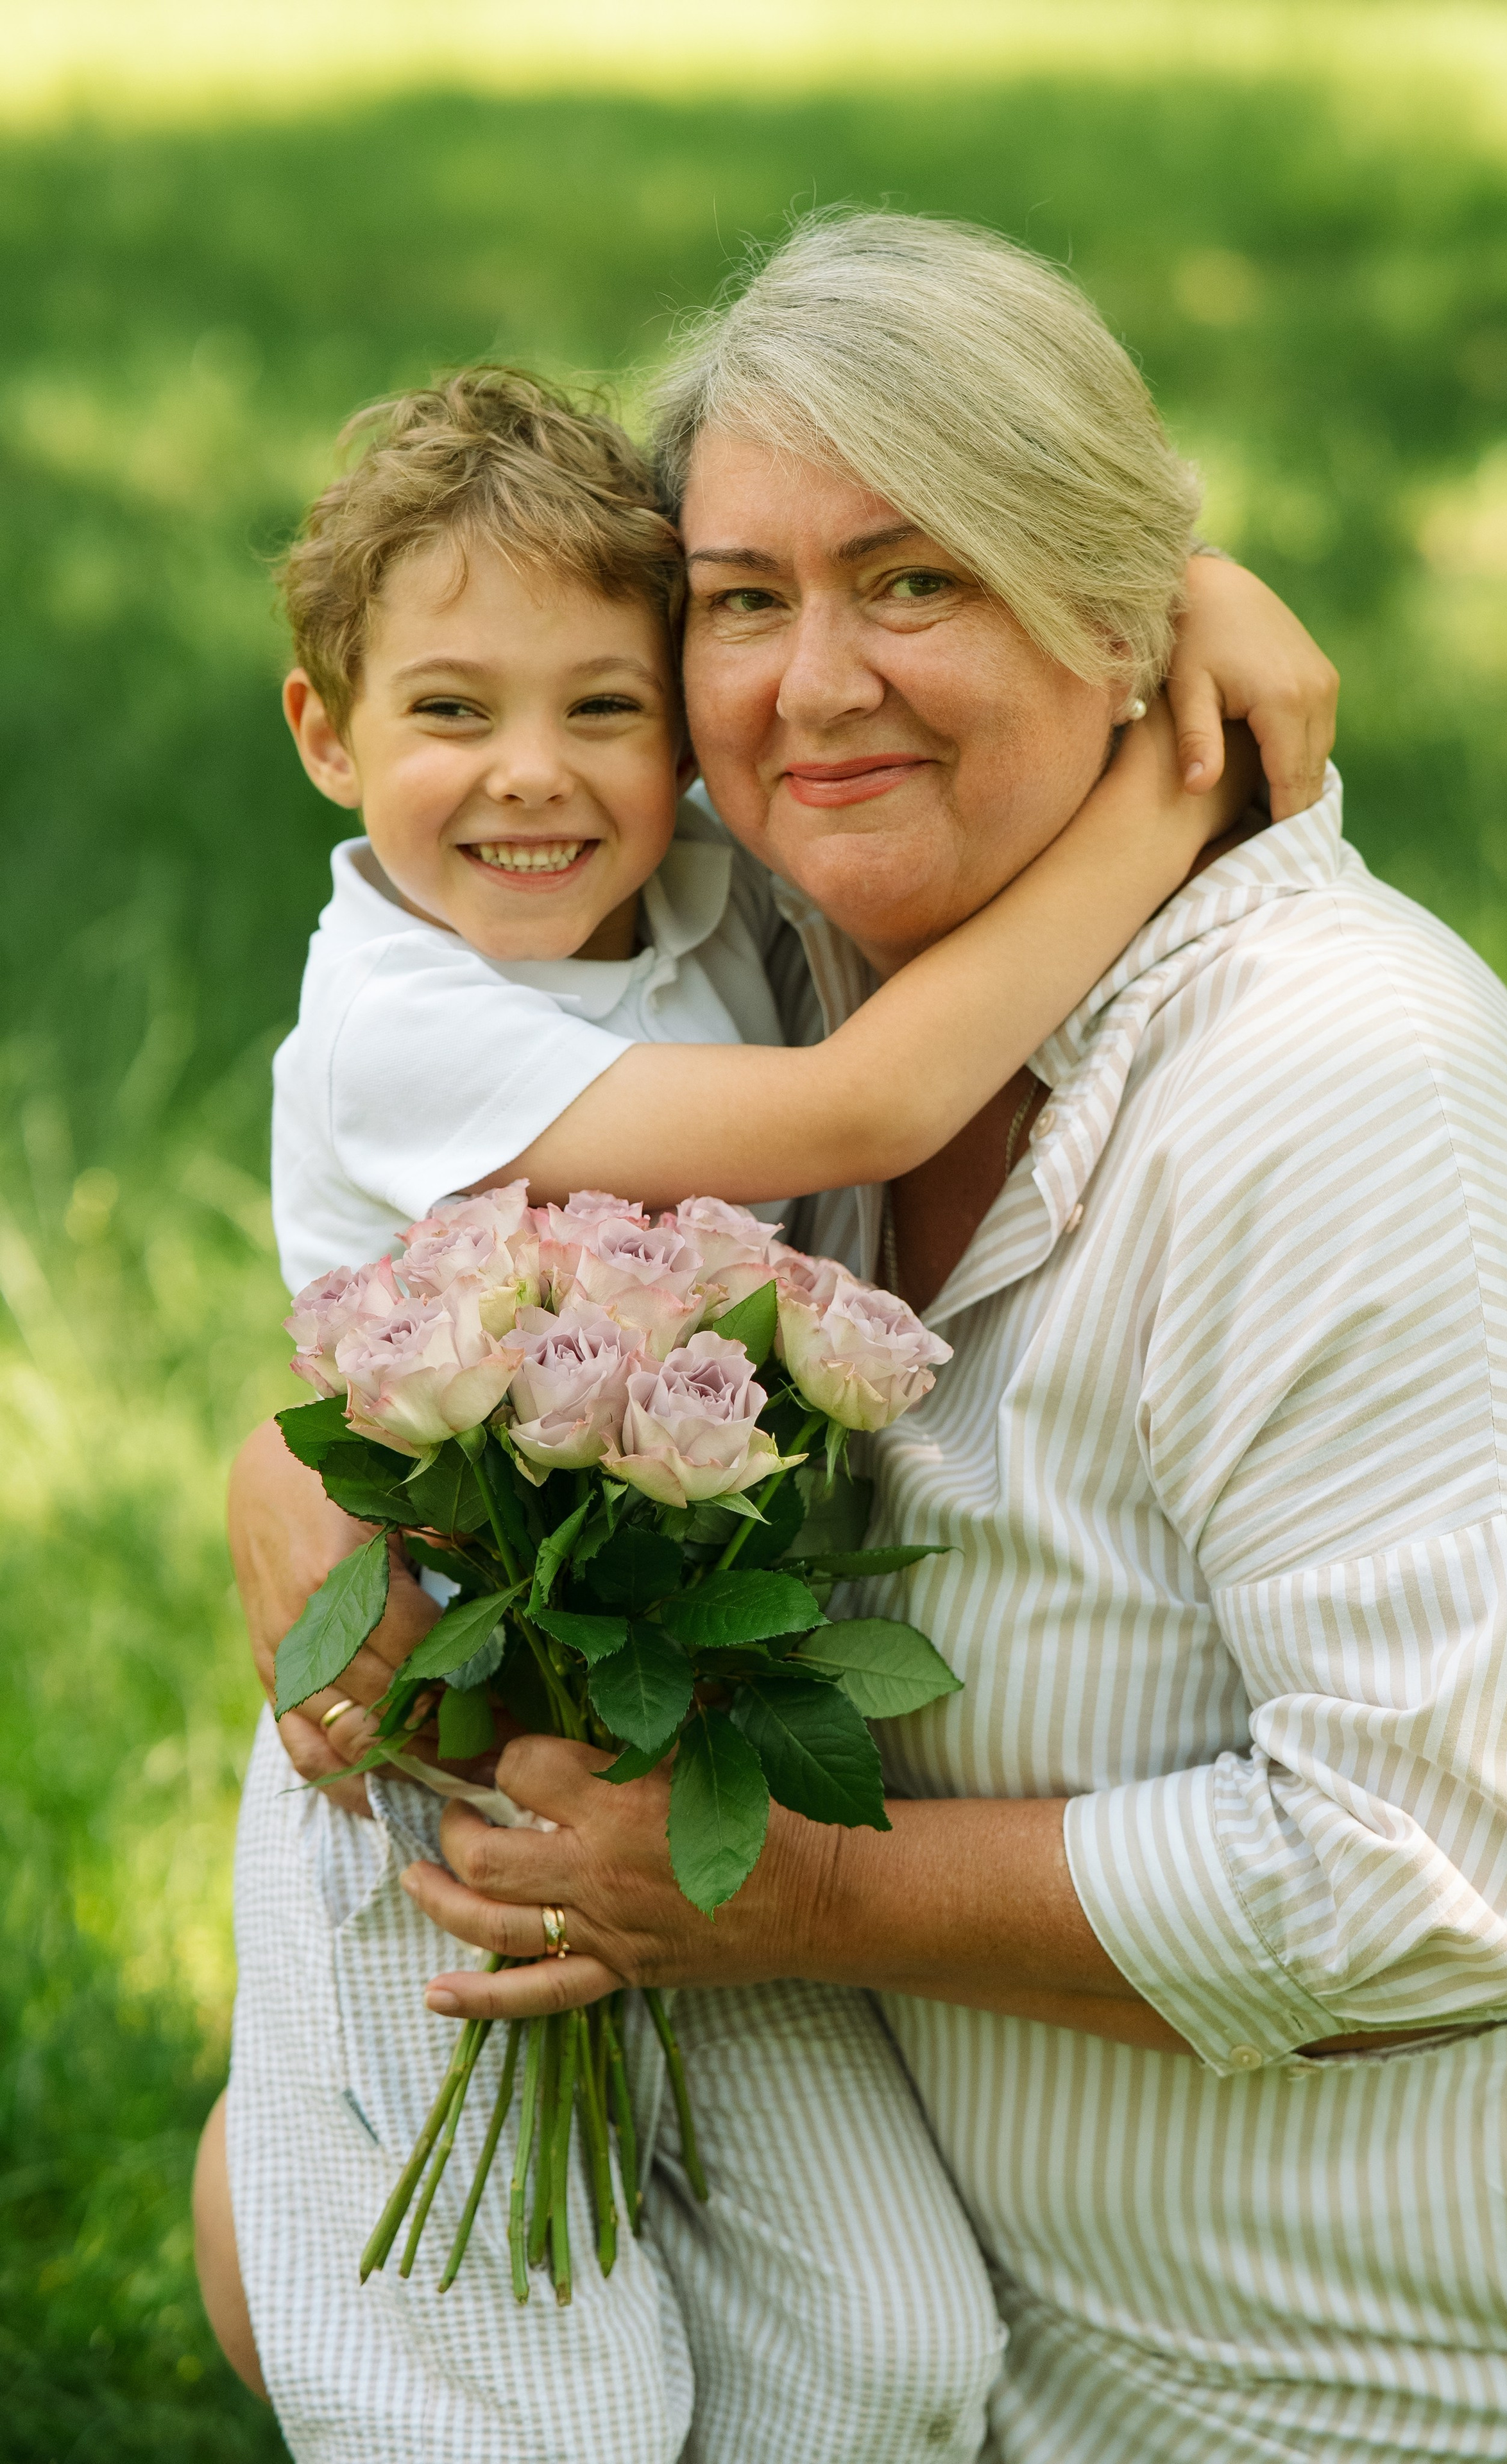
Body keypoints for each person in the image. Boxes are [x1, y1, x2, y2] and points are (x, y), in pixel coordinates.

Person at [248, 211, 1507, 2463]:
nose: (810, 694)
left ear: (1116, 624)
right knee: (295, 2221)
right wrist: (301, 1462)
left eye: (919, 580)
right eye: (744, 601)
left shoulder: (1355, 1099)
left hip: (1336, 2398)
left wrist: (785, 1899)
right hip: (952, 2301)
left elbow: (1450, 1875)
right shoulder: (795, 937)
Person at [199, 355, 1297, 2463]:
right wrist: (1184, 775)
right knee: (526, 2404)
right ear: (323, 734)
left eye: (605, 708)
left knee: (893, 2358)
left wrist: (1181, 598)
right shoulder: (407, 1026)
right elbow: (872, 1104)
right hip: (444, 1755)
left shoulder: (674, 892)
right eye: (451, 711)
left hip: (690, 1713)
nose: (537, 776)